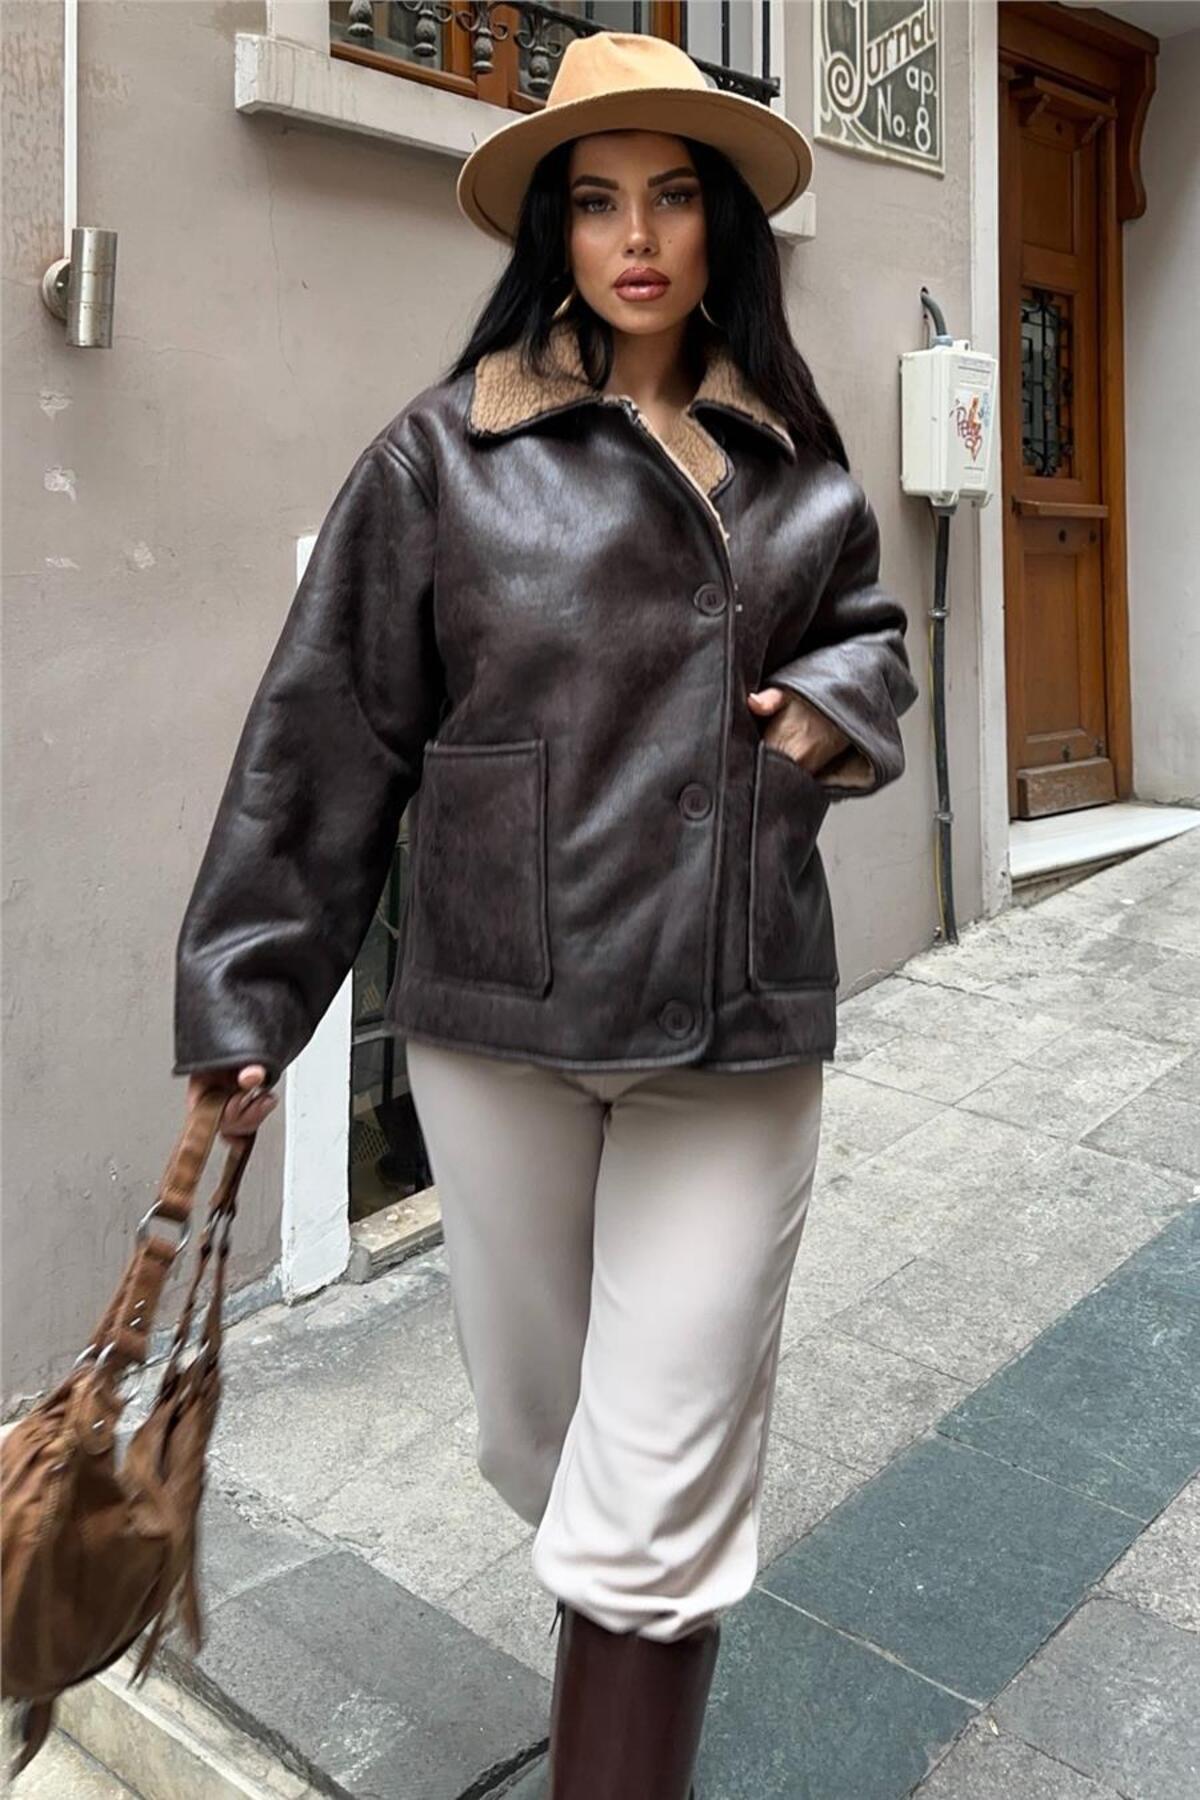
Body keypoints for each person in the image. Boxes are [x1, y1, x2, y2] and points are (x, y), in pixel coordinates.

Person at [173, 30, 919, 1800]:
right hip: (500, 1018)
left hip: (735, 1022)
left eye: (671, 198)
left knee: (651, 1508)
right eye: (596, 203)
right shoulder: (442, 457)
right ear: (553, 233)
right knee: (545, 1447)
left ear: (722, 224)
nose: (635, 238)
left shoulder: (797, 464)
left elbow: (871, 633)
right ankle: (629, 1586)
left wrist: (831, 710)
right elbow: (325, 732)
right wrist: (247, 998)